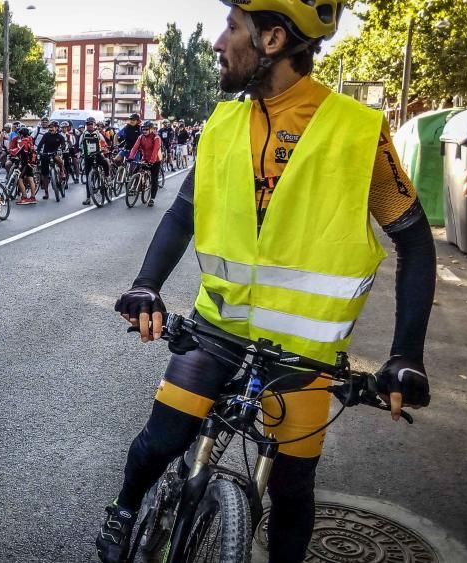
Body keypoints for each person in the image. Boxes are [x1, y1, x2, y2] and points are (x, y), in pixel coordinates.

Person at [95, 2, 435, 562]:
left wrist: (406, 355)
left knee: (292, 490)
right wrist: (146, 284)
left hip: (304, 354)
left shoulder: (356, 130)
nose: (218, 42)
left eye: (232, 28)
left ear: (272, 39)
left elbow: (416, 241)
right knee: (163, 440)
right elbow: (184, 212)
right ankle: (125, 508)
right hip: (218, 326)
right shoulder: (224, 121)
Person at [128, 121, 162, 207]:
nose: (144, 131)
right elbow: (135, 147)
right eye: (143, 129)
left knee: (154, 179)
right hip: (145, 159)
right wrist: (131, 157)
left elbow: (155, 151)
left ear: (151, 129)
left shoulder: (156, 138)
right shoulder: (140, 137)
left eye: (146, 129)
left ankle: (152, 199)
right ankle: (135, 185)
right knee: (136, 171)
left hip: (155, 160)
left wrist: (152, 162)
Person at [80, 117, 110, 205]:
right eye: (88, 124)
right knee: (88, 177)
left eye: (91, 124)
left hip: (97, 154)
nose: (89, 126)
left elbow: (104, 142)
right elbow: (79, 144)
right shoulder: (83, 134)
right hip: (87, 156)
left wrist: (105, 149)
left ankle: (107, 176)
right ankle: (88, 198)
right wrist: (79, 151)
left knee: (105, 162)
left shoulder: (98, 134)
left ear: (94, 125)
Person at [35, 119, 67, 200]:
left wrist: (61, 148)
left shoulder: (60, 136)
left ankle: (62, 172)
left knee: (58, 159)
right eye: (50, 127)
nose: (51, 129)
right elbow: (40, 144)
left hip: (55, 153)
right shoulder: (46, 135)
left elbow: (63, 144)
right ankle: (46, 193)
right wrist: (38, 151)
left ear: (57, 128)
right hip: (46, 154)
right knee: (44, 175)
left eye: (53, 127)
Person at [9, 126, 38, 204]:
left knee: (19, 179)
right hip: (30, 163)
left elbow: (17, 151)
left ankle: (24, 197)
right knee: (30, 178)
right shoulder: (30, 140)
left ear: (21, 134)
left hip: (24, 163)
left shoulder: (23, 141)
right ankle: (33, 197)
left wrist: (12, 153)